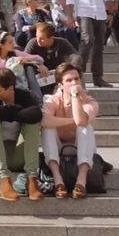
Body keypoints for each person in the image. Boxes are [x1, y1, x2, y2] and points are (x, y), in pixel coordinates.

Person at [0, 67, 43, 202]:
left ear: (10, 89)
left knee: (32, 123)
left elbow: (36, 114)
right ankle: (4, 181)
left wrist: (6, 112)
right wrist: (16, 111)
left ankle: (32, 179)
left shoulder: (26, 96)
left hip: (18, 155)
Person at [41, 62, 100, 199]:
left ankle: (81, 181)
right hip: (59, 146)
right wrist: (72, 120)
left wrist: (75, 97)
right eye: (69, 80)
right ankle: (58, 181)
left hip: (81, 146)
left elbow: (81, 122)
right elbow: (44, 120)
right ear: (60, 85)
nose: (74, 83)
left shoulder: (89, 101)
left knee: (85, 127)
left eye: (77, 79)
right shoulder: (52, 100)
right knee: (48, 129)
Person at [64, 0, 116, 88]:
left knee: (99, 46)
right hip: (84, 12)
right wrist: (70, 16)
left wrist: (110, 13)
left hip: (100, 12)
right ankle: (77, 73)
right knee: (87, 40)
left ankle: (98, 77)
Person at [0, 30, 46, 100]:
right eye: (10, 42)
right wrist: (13, 63)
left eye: (13, 42)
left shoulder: (15, 53)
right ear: (1, 45)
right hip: (3, 87)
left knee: (29, 67)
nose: (13, 44)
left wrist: (37, 64)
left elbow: (39, 58)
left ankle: (38, 99)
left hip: (19, 84)